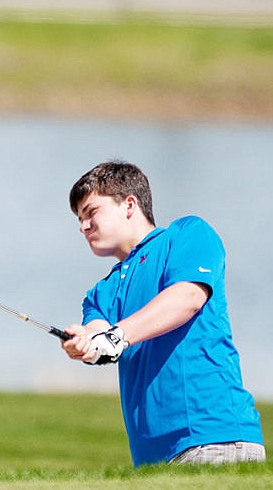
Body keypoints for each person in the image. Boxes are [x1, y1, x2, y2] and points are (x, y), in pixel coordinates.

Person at [62, 160, 266, 467]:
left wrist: (116, 336)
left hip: (211, 437)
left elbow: (187, 298)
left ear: (129, 205)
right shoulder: (99, 294)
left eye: (91, 212)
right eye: (79, 218)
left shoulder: (187, 234)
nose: (83, 226)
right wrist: (84, 343)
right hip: (152, 461)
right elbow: (100, 340)